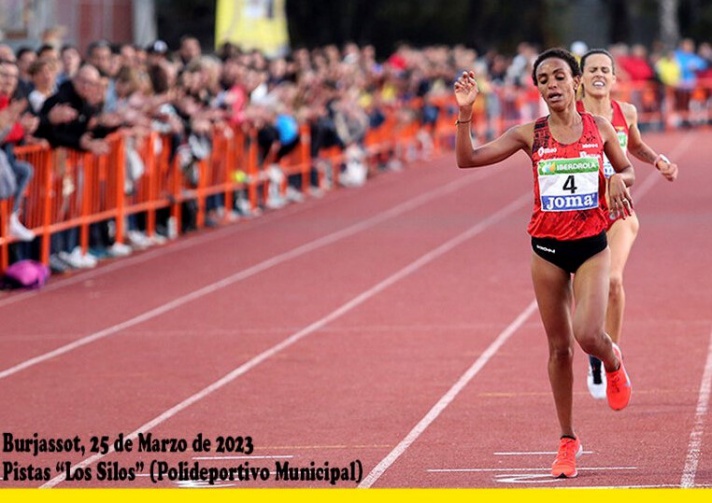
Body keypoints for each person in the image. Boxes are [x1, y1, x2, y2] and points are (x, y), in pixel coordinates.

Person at [454, 48, 634, 479]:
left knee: (588, 333)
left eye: (558, 77)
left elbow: (627, 171)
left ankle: (611, 358)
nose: (551, 86)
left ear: (575, 82)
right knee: (559, 349)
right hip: (547, 250)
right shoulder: (529, 134)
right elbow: (468, 159)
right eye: (543, 80)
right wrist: (465, 114)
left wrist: (614, 180)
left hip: (592, 244)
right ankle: (568, 440)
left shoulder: (601, 127)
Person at [577, 49, 678, 399]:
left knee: (614, 281)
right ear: (582, 78)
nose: (600, 75)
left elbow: (634, 146)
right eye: (593, 70)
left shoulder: (626, 112)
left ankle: (611, 355)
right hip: (582, 214)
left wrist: (658, 160)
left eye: (606, 69)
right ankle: (594, 352)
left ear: (614, 77)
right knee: (584, 295)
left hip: (619, 210)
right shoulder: (570, 116)